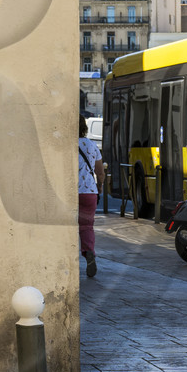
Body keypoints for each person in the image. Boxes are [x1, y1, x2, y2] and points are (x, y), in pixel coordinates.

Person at [78, 112, 103, 278]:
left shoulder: (61, 144)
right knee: (86, 226)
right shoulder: (92, 145)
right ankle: (89, 253)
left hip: (68, 193)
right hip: (89, 192)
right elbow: (100, 172)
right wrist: (99, 188)